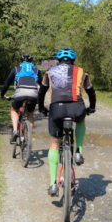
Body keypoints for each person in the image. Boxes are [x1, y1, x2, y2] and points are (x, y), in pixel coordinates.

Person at [38, 47, 96, 196]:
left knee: (54, 144)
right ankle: (79, 151)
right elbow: (91, 91)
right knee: (81, 121)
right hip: (77, 108)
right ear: (73, 61)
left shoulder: (49, 72)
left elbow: (42, 91)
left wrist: (41, 108)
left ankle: (52, 183)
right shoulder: (82, 71)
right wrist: (92, 108)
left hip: (56, 109)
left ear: (58, 61)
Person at [0, 54, 42, 144]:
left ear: (21, 61)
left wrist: (2, 94)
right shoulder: (36, 70)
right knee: (30, 114)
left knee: (14, 110)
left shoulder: (16, 68)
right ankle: (28, 136)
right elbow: (41, 86)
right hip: (33, 93)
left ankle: (15, 130)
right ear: (31, 61)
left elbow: (7, 84)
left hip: (20, 92)